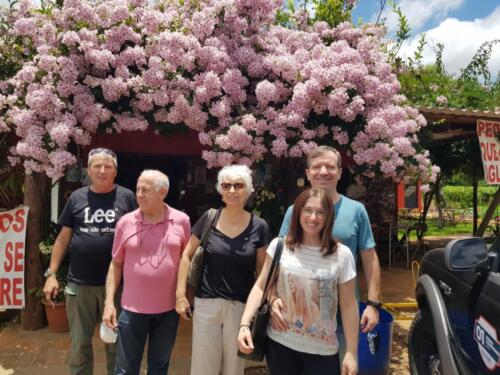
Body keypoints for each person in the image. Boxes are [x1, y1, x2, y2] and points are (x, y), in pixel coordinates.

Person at [239, 188, 359, 375]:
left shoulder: (342, 255)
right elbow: (261, 286)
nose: (313, 217)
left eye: (321, 212)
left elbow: (349, 305)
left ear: (329, 217)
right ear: (298, 213)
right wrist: (245, 324)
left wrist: (351, 352)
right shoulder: (279, 246)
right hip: (280, 344)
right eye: (308, 210)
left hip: (323, 350)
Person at [43, 147, 137, 375]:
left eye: (108, 166)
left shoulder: (127, 197)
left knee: (116, 342)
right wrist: (52, 274)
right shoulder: (77, 197)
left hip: (117, 285)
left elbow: (138, 236)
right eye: (97, 166)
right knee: (79, 344)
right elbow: (63, 239)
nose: (102, 170)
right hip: (79, 284)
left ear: (115, 171)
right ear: (89, 170)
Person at [175, 164, 269, 375]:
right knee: (203, 367)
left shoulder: (259, 226)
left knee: (233, 368)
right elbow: (186, 256)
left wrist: (260, 308)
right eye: (227, 185)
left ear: (248, 190)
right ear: (220, 190)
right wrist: (180, 295)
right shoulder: (209, 218)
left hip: (240, 308)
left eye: (238, 185)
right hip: (207, 304)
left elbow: (262, 272)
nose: (232, 191)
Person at [279, 146, 381, 333]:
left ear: (340, 173)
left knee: (344, 360)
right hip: (297, 312)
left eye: (330, 167)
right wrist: (273, 298)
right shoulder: (294, 212)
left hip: (343, 312)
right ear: (308, 174)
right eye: (317, 167)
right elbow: (280, 258)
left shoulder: (356, 210)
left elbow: (369, 258)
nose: (324, 172)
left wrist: (373, 303)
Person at [102, 170, 190, 374]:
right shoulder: (125, 222)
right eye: (138, 189)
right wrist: (109, 303)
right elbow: (115, 264)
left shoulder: (181, 221)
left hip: (168, 310)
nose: (139, 194)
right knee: (125, 369)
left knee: (159, 366)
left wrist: (181, 295)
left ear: (163, 192)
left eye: (146, 190)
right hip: (132, 310)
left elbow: (186, 260)